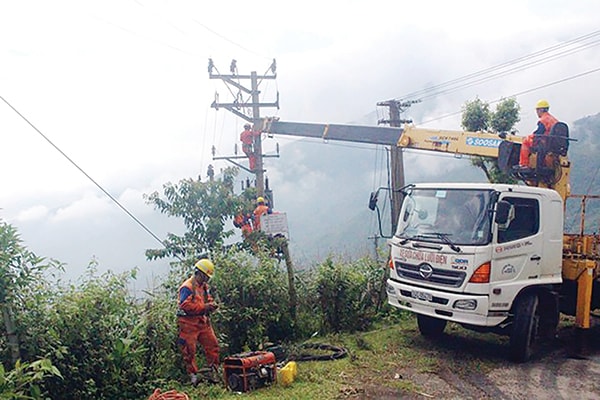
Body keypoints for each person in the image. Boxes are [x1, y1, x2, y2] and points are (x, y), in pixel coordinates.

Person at [176, 259, 220, 385]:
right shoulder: (187, 287)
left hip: (202, 323)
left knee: (213, 345)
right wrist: (204, 308)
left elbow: (206, 299)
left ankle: (213, 371)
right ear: (199, 273)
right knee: (189, 351)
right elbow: (185, 305)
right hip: (188, 324)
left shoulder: (204, 287)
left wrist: (211, 305)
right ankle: (193, 376)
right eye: (206, 276)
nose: (207, 279)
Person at [515, 99, 559, 172]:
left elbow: (539, 133)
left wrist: (529, 137)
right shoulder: (554, 120)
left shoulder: (544, 120)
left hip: (544, 143)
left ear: (540, 110)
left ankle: (524, 164)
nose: (537, 112)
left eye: (537, 110)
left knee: (525, 141)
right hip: (552, 144)